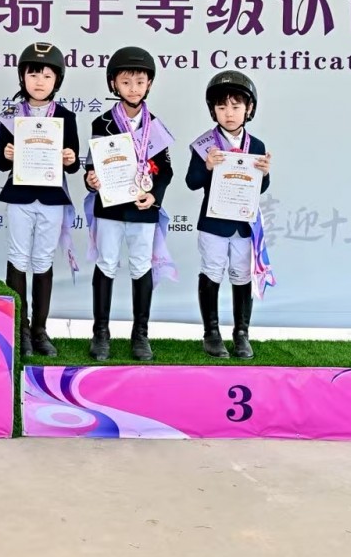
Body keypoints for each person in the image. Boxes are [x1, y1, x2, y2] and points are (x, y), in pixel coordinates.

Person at [81, 47, 175, 361]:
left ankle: (140, 334)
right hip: (109, 208)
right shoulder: (102, 123)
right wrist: (91, 180)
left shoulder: (156, 126)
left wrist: (155, 195)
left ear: (149, 84)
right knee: (106, 264)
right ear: (113, 84)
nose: (133, 88)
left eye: (139, 82)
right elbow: (91, 166)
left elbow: (166, 170)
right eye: (126, 82)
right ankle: (100, 333)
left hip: (142, 208)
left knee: (141, 266)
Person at [0, 42, 82, 357]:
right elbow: (0, 162)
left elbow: (74, 163)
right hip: (19, 195)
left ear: (57, 80)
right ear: (22, 77)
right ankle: (20, 329)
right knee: (18, 258)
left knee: (43, 260)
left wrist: (71, 157)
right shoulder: (11, 115)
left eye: (47, 75)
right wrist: (7, 154)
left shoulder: (66, 116)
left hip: (51, 196)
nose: (40, 81)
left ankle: (40, 331)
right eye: (33, 74)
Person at [185, 71, 274, 359]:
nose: (229, 113)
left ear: (249, 109)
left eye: (236, 106)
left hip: (244, 224)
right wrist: (207, 166)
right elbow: (191, 182)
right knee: (212, 271)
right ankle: (211, 333)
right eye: (222, 107)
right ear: (213, 110)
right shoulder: (205, 145)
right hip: (213, 224)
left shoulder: (256, 146)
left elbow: (261, 188)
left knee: (241, 274)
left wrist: (265, 174)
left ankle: (241, 333)